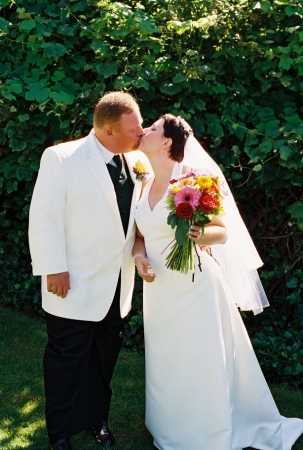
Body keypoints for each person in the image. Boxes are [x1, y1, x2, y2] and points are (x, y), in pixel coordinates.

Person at [133, 114, 303, 450]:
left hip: (196, 285)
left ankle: (207, 432)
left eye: (151, 129)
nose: (143, 131)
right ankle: (169, 425)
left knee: (200, 359)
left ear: (167, 142)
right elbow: (140, 235)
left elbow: (222, 231)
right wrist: (140, 258)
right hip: (158, 288)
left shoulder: (191, 182)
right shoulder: (142, 181)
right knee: (167, 358)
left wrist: (199, 232)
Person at [28, 91, 147, 450]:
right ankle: (60, 432)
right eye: (134, 128)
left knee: (103, 358)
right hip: (73, 282)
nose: (141, 133)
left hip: (119, 284)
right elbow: (44, 217)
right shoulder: (62, 157)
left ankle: (98, 421)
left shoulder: (138, 161)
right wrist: (53, 268)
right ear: (109, 131)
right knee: (66, 360)